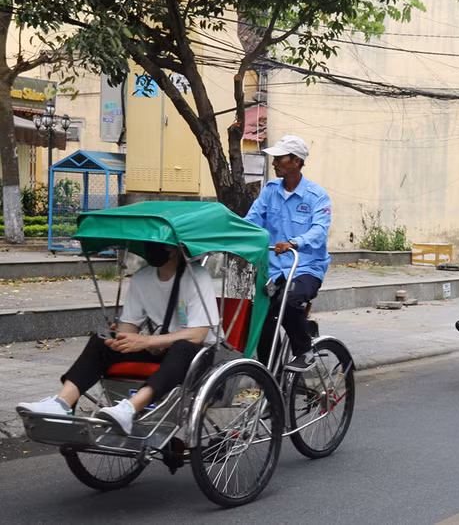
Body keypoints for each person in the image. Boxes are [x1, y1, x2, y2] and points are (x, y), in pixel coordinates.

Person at [17, 242, 218, 435]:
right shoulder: (142, 278)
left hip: (197, 355)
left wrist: (146, 341)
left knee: (182, 346)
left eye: (160, 245)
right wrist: (120, 338)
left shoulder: (197, 277)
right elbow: (129, 325)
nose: (151, 249)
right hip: (160, 349)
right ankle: (61, 405)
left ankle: (128, 410)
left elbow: (198, 334)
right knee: (101, 341)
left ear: (175, 249)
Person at [245, 134, 332, 372]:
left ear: (295, 161)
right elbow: (252, 221)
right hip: (274, 269)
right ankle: (269, 375)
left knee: (288, 300)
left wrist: (294, 242)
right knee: (259, 316)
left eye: (279, 159)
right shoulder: (270, 191)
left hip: (305, 268)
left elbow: (319, 231)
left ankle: (305, 350)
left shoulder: (317, 196)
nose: (274, 163)